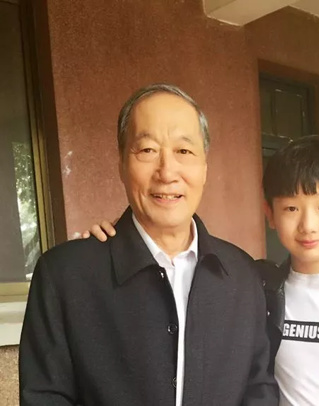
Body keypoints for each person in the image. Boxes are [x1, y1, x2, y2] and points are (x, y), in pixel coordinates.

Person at [86, 136, 319, 405]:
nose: (308, 225)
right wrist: (119, 241)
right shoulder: (256, 283)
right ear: (270, 214)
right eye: (291, 208)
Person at [19, 83, 278, 406]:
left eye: (184, 151)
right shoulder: (65, 275)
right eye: (147, 150)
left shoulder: (241, 274)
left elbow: (259, 387)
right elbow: (44, 397)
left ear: (204, 168)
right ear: (121, 165)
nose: (167, 172)